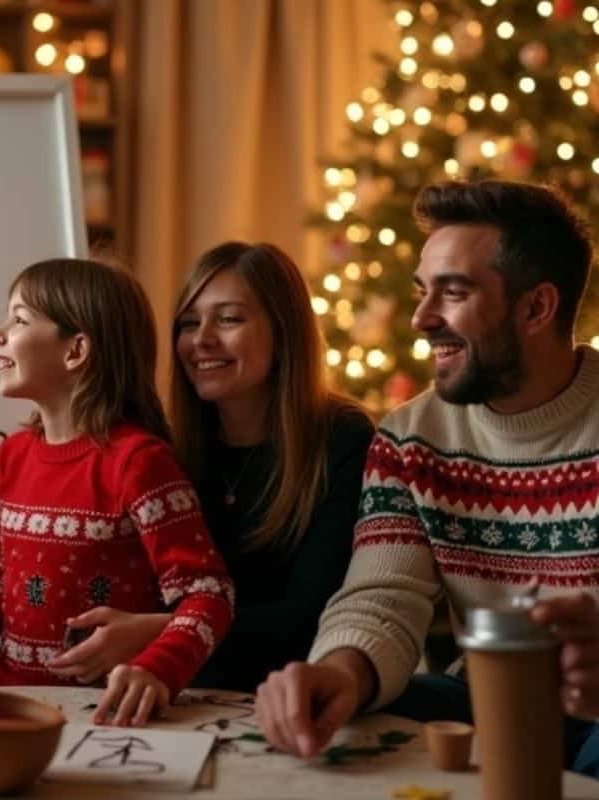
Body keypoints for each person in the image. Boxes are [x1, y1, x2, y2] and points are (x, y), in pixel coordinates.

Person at [254, 179, 599, 776]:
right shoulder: (409, 438)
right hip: (485, 694)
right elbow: (383, 596)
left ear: (536, 307)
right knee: (352, 719)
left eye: (453, 293)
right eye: (422, 292)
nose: (421, 318)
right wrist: (341, 671)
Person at [0, 257, 235, 727]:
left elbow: (209, 595)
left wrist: (157, 668)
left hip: (104, 717)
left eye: (19, 319)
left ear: (75, 350)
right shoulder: (11, 457)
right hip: (6, 705)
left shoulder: (139, 462)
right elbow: (0, 588)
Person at [46, 242, 374, 693]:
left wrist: (160, 630)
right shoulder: (166, 448)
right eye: (189, 323)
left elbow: (312, 616)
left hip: (295, 693)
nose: (201, 340)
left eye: (229, 318)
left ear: (284, 331)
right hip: (180, 688)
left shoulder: (344, 438)